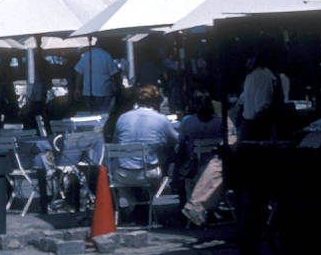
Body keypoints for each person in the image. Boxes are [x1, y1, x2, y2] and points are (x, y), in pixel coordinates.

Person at [111, 84, 178, 222]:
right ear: (156, 101)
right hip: (148, 174)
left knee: (132, 164)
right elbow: (177, 140)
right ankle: (144, 206)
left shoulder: (123, 118)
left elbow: (115, 142)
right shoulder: (161, 119)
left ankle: (137, 206)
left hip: (122, 174)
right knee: (165, 157)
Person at [174, 89, 222, 203]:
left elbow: (181, 143)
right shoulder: (220, 122)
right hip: (216, 168)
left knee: (179, 158)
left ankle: (185, 202)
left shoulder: (188, 121)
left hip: (194, 168)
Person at [74, 43, 119, 114]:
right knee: (104, 114)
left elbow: (79, 73)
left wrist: (77, 88)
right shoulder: (107, 56)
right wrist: (115, 87)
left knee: (91, 114)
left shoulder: (86, 55)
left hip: (88, 91)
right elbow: (113, 74)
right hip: (104, 91)